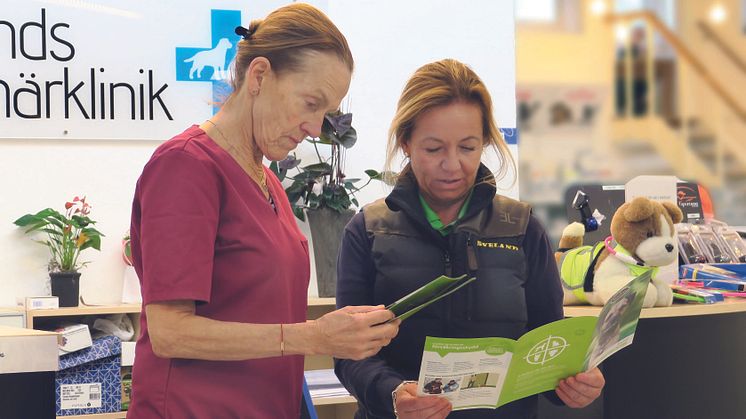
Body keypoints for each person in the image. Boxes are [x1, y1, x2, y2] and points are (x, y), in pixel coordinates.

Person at [127, 4, 399, 418]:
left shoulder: (266, 179)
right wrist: (312, 337)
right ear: (258, 76)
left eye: (325, 113)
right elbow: (170, 333)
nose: (315, 127)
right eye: (310, 103)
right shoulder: (185, 166)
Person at [334, 59, 605, 419]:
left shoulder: (522, 228)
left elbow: (547, 343)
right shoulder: (367, 229)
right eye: (433, 149)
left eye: (468, 147)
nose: (452, 165)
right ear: (406, 143)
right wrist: (393, 395)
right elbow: (348, 353)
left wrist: (573, 382)